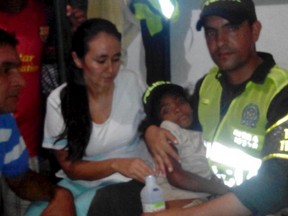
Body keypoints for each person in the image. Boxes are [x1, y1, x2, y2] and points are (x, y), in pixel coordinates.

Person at [142, 0, 288, 215]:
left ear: (255, 30)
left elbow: (277, 184)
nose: (219, 42)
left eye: (231, 28)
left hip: (267, 207)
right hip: (217, 196)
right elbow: (182, 128)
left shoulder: (280, 92)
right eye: (211, 32)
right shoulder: (208, 85)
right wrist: (152, 131)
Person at [25, 18, 155, 216]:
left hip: (130, 179)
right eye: (101, 61)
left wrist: (156, 132)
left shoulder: (131, 82)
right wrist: (115, 164)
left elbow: (155, 118)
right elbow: (70, 167)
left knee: (86, 208)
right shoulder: (60, 100)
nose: (111, 69)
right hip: (80, 182)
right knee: (37, 213)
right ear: (78, 59)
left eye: (116, 58)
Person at [87, 81, 229, 216]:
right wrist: (222, 189)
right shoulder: (168, 130)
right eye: (166, 110)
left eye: (180, 101)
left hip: (205, 199)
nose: (177, 109)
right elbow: (177, 177)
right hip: (180, 202)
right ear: (158, 120)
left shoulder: (205, 133)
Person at [0, 28, 75, 216]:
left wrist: (59, 194)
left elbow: (20, 177)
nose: (21, 81)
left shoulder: (4, 122)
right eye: (5, 70)